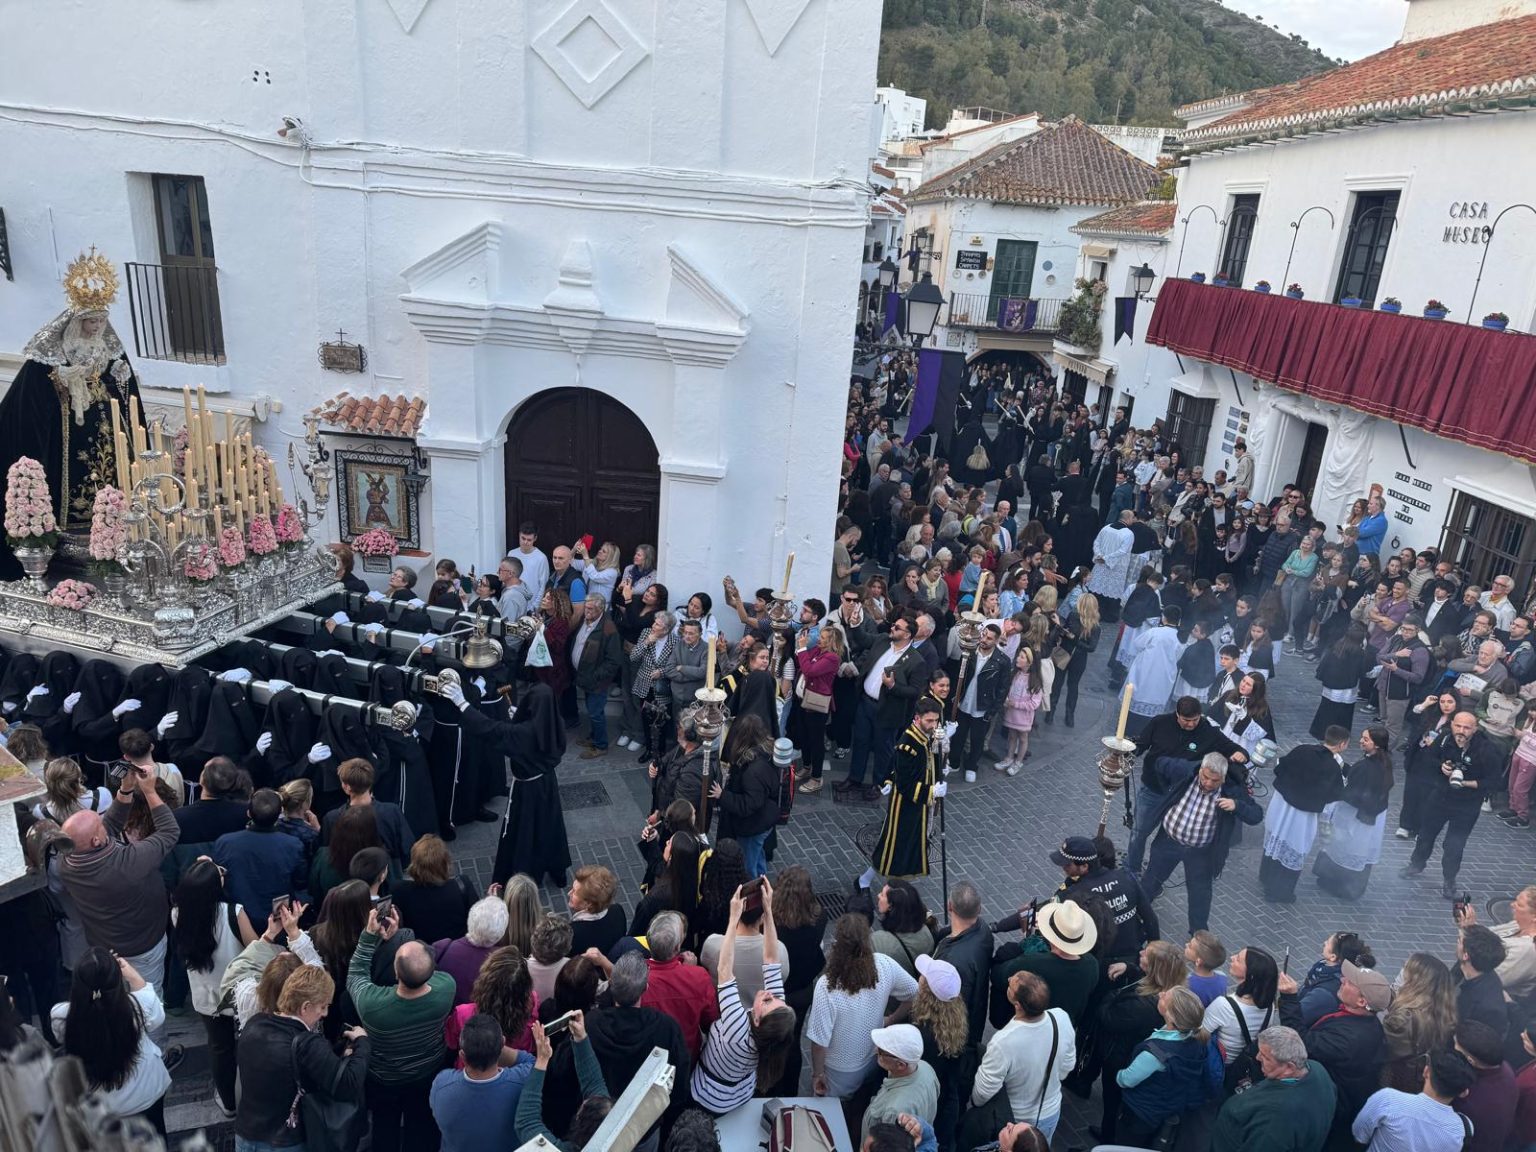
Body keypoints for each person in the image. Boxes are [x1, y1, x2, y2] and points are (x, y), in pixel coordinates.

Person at [0, 253, 143, 579]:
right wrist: (61, 381)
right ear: (77, 321)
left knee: (112, 478)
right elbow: (30, 403)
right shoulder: (51, 355)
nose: (97, 327)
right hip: (68, 439)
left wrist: (119, 378)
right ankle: (71, 536)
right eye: (91, 321)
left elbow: (122, 388)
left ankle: (114, 528)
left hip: (105, 430)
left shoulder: (107, 349)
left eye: (101, 321)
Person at [59, 757, 180, 997]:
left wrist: (125, 791)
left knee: (115, 995)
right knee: (147, 997)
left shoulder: (67, 862)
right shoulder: (127, 864)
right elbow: (169, 832)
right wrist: (149, 791)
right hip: (142, 946)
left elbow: (110, 828)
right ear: (96, 840)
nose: (106, 824)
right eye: (100, 825)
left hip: (105, 945)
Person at [547, 951, 691, 1145]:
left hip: (595, 1128)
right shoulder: (667, 1028)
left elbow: (559, 1070)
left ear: (611, 985)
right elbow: (679, 1083)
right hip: (642, 1129)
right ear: (645, 988)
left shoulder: (590, 1024)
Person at [349, 905, 457, 1152]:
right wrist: (397, 937)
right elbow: (422, 968)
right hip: (427, 1071)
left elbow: (356, 974)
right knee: (420, 1128)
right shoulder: (446, 987)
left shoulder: (372, 1007)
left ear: (396, 973)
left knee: (384, 1127)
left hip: (384, 1079)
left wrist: (369, 936)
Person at [445, 680, 572, 888]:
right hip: (547, 784)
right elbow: (531, 731)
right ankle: (558, 872)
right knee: (550, 828)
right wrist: (520, 720)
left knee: (525, 832)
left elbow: (491, 730)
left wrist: (462, 704)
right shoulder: (553, 721)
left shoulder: (524, 733)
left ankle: (525, 874)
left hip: (527, 790)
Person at [236, 965, 369, 1152]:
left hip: (245, 1136)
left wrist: (335, 1053)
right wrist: (362, 1042)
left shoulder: (254, 1024)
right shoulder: (307, 1044)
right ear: (305, 1007)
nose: (325, 1013)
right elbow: (348, 1083)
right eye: (323, 1006)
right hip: (284, 1143)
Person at [691, 880, 795, 1115]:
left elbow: (724, 969)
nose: (769, 994)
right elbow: (771, 958)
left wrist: (733, 919)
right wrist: (768, 911)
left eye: (767, 1001)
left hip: (710, 1096)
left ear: (757, 1020)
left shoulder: (736, 1026)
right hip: (742, 1090)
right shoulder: (776, 1019)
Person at [171, 856, 260, 1116]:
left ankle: (228, 1103)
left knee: (220, 1048)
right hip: (240, 994)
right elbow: (256, 949)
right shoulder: (234, 912)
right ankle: (252, 1096)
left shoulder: (178, 913)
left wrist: (204, 869)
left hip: (206, 995)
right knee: (249, 1044)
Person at [1138, 752, 1264, 933]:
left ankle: (1198, 935)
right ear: (1200, 770)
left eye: (1215, 780)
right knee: (1150, 881)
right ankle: (1137, 916)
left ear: (1223, 777)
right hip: (1168, 842)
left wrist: (1237, 805)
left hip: (1201, 852)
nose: (1208, 783)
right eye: (1205, 777)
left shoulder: (1232, 789)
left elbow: (1256, 815)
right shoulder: (1186, 771)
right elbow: (1158, 762)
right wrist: (1165, 787)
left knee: (1200, 896)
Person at [50, 949, 171, 1131]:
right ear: (117, 981)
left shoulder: (61, 1015)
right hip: (144, 1094)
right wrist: (131, 974)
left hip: (99, 1104)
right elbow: (156, 1012)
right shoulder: (138, 1007)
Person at [1127, 697, 1246, 873]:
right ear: (1177, 714)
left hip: (1180, 796)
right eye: (1186, 720)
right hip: (1152, 791)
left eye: (1195, 720)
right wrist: (1127, 750)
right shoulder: (1159, 723)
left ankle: (1153, 875)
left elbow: (1232, 748)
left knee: (1165, 841)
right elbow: (1141, 745)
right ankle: (1131, 868)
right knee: (1139, 832)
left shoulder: (1208, 732)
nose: (1191, 724)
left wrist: (1240, 753)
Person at [807, 913, 919, 1099]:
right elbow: (914, 992)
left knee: (831, 1108)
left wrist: (818, 1074)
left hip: (839, 1069)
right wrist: (891, 1019)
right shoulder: (883, 965)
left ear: (837, 945)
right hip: (873, 1056)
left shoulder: (827, 986)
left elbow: (819, 1042)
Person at [1278, 959, 1390, 1143]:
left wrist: (1289, 999)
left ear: (1361, 1001)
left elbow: (1300, 1043)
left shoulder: (1350, 1038)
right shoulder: (1364, 1021)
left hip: (1331, 1109)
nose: (1342, 980)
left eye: (1350, 982)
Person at [966, 970, 1075, 1146]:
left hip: (1015, 1123)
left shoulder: (1003, 1041)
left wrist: (975, 1102)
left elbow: (983, 1092)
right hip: (1050, 1113)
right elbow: (1066, 1068)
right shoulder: (1061, 1018)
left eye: (1011, 984)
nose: (1009, 979)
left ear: (1017, 1005)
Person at [1402, 711, 1497, 898]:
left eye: (1467, 727)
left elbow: (1495, 781)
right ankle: (1416, 864)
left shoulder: (1486, 749)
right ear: (1452, 724)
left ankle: (1449, 880)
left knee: (1455, 844)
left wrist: (1467, 783)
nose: (1461, 731)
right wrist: (1441, 767)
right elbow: (1428, 758)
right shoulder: (1445, 739)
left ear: (1475, 729)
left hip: (1467, 805)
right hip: (1440, 797)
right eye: (1458, 726)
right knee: (1425, 835)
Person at [1115, 985, 1219, 1148]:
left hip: (1140, 1112)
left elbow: (1126, 1080)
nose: (1161, 994)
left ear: (1171, 1016)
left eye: (1165, 997)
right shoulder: (1198, 1039)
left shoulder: (1155, 1054)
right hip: (1166, 1106)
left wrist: (1118, 1075)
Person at [1212, 1026, 1337, 1152]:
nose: (1257, 1057)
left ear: (1289, 1068)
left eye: (1266, 1057)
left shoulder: (1275, 1118)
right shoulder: (1316, 1068)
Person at [1258, 727, 1347, 903]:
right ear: (1342, 744)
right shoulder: (1332, 767)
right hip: (1302, 815)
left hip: (1281, 804)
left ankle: (1266, 876)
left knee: (1276, 838)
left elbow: (1280, 768)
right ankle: (1279, 892)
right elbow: (1334, 795)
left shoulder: (1302, 749)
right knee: (1293, 846)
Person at [989, 899, 1101, 1032]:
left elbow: (998, 975)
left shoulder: (1032, 962)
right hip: (1064, 1029)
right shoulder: (1092, 965)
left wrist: (1026, 947)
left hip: (1029, 1027)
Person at [431, 1013, 533, 1152]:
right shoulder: (522, 1081)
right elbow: (533, 1062)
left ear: (462, 1055)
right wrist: (496, 1047)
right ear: (502, 1044)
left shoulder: (442, 1083)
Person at [1314, 726, 1395, 900]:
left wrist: (1336, 790)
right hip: (1370, 814)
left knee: (1347, 845)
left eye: (1366, 739)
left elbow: (1356, 793)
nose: (1361, 741)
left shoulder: (1369, 767)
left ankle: (1343, 886)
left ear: (1377, 745)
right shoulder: (1383, 762)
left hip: (1357, 816)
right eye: (1362, 737)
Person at [212, 787, 308, 932]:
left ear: (249, 813)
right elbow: (301, 884)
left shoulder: (225, 843)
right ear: (280, 813)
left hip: (234, 924)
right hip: (276, 922)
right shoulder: (293, 845)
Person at [1353, 1047, 1479, 1152]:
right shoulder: (1465, 1129)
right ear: (1463, 1093)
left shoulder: (1388, 1100)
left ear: (1426, 1072)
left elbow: (1359, 1135)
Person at [640, 910, 719, 1059]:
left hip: (651, 1056)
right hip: (688, 1054)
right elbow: (711, 1020)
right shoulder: (699, 977)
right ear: (677, 948)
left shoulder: (636, 980)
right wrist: (690, 972)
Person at [1380, 953, 1459, 1093]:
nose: (1401, 974)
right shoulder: (1444, 1013)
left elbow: (1381, 1052)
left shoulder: (1402, 1019)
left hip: (1396, 1084)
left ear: (1415, 983)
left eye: (1405, 970)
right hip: (1423, 1082)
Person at [712, 713, 779, 878]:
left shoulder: (752, 771)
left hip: (752, 826)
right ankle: (762, 882)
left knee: (747, 866)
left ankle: (753, 889)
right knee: (757, 856)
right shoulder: (765, 754)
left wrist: (723, 796)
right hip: (762, 821)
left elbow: (748, 805)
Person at [952, 623, 1010, 778]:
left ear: (996, 641)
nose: (984, 640)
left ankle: (972, 766)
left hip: (983, 707)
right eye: (983, 635)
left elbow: (1003, 689)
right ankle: (954, 762)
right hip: (964, 702)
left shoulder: (1002, 661)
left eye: (989, 638)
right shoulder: (970, 652)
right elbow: (958, 676)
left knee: (977, 740)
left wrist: (992, 711)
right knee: (958, 735)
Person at [1121, 605, 1186, 736]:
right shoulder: (1179, 638)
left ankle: (1128, 731)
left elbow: (1137, 644)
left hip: (1146, 670)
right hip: (1164, 675)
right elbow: (1179, 656)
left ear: (1164, 618)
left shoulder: (1155, 632)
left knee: (1138, 698)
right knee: (1154, 704)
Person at [1453, 924, 1510, 1036]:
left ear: (1465, 955)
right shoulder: (1466, 967)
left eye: (1459, 940)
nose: (1456, 942)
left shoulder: (1486, 1007)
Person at [567, 865, 628, 956]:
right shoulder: (617, 910)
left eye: (574, 892)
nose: (569, 893)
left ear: (588, 904)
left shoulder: (573, 934)